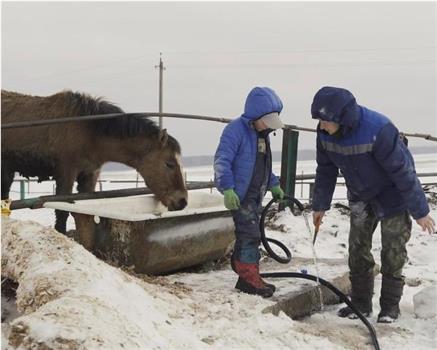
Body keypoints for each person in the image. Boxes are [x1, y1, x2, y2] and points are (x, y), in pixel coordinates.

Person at [310, 86, 435, 323]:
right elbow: (325, 170)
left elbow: (403, 171)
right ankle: (361, 303)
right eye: (319, 120)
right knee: (357, 249)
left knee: (393, 249)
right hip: (360, 194)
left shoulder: (378, 129)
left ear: (341, 117)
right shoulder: (324, 134)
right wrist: (320, 205)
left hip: (392, 195)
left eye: (325, 120)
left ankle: (389, 307)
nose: (321, 125)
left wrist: (420, 211)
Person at [214, 86, 285, 298]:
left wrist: (273, 183)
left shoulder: (262, 134)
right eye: (267, 121)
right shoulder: (235, 131)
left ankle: (248, 271)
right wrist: (227, 189)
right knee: (250, 234)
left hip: (257, 193)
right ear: (255, 116)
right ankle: (248, 279)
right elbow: (222, 161)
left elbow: (264, 163)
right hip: (240, 194)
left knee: (251, 234)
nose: (269, 127)